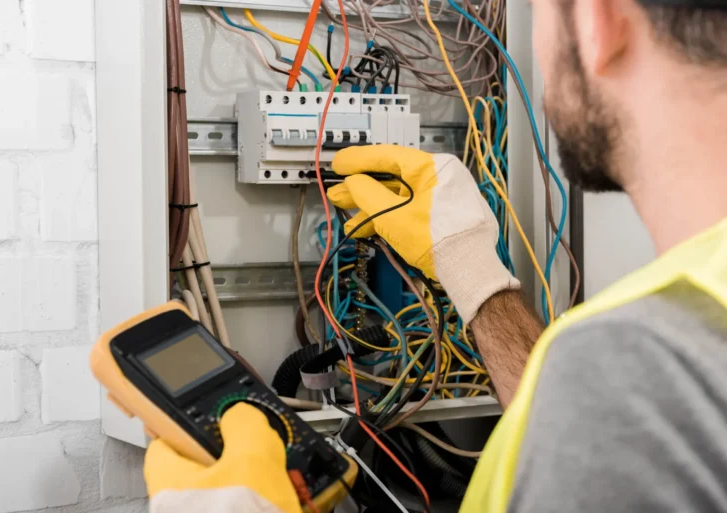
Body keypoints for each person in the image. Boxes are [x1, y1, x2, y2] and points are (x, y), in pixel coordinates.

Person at [143, 0, 727, 512]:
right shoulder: (666, 346)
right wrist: (471, 266)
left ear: (600, 19)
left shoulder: (638, 365)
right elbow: (567, 430)